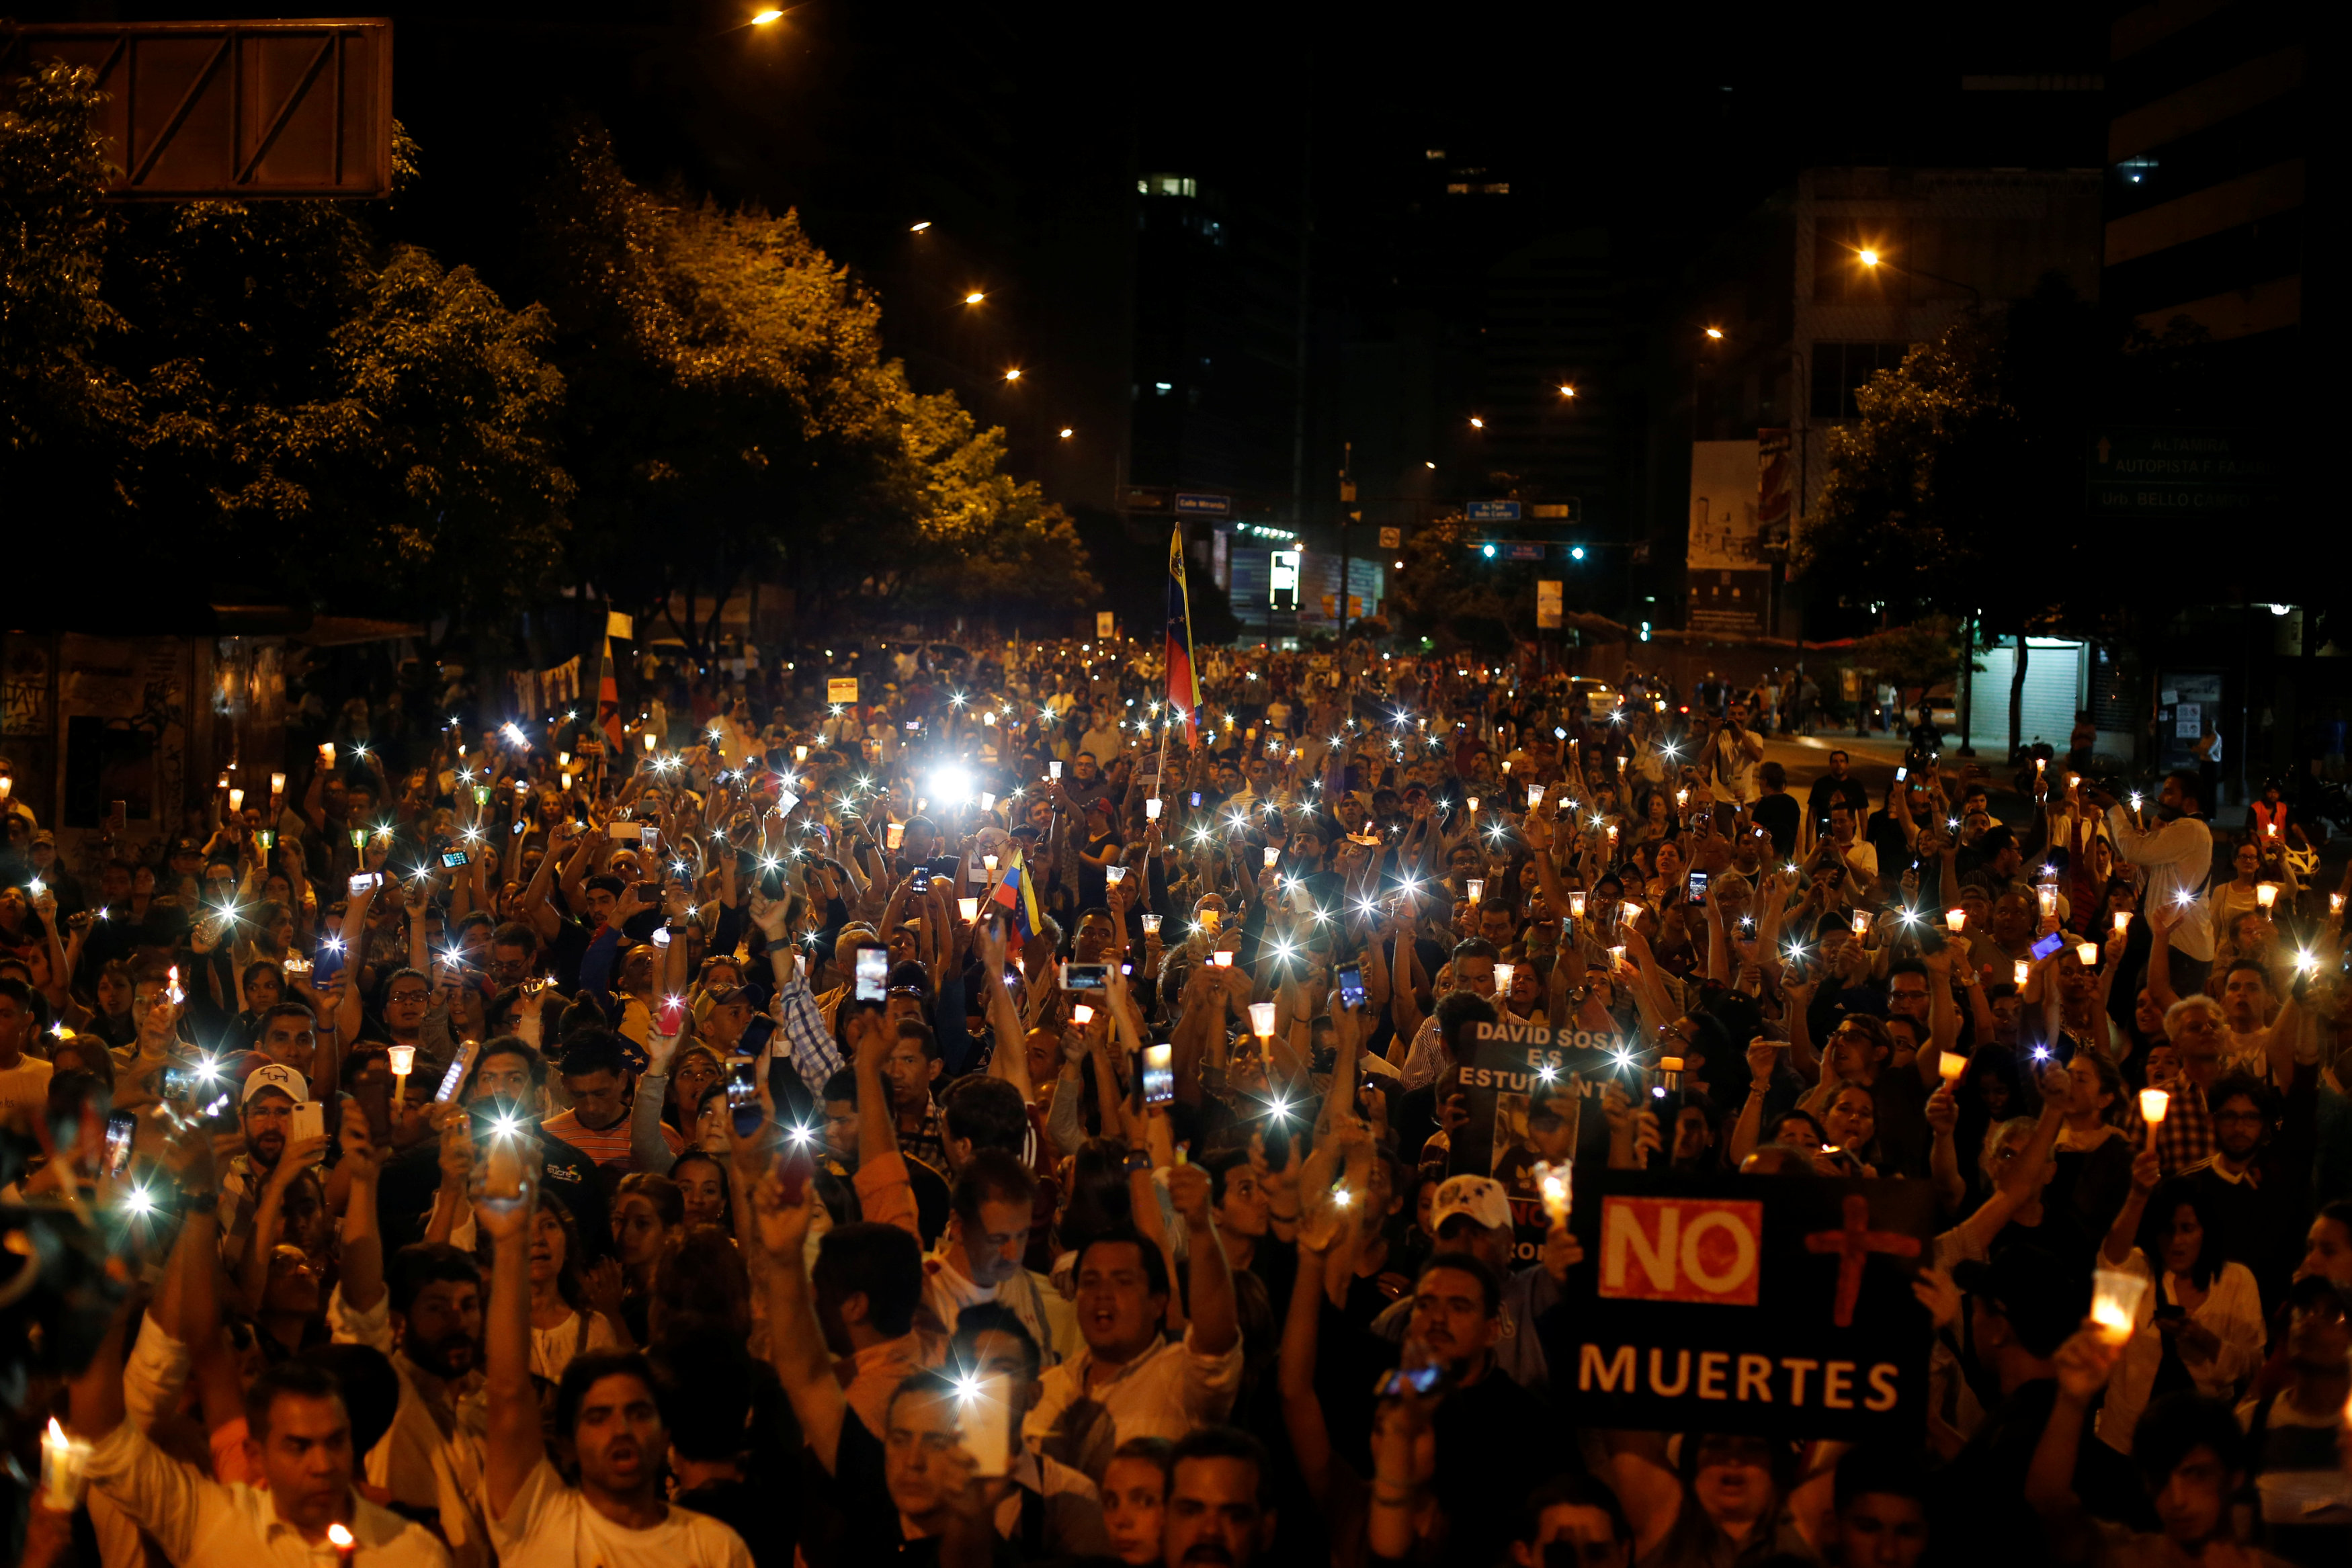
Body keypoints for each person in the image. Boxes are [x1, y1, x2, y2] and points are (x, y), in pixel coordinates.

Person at [478, 1149, 755, 1567]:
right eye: (598, 1416)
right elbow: (507, 1395)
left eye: (640, 1412)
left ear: (666, 1437)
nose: (621, 1429)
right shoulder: (537, 1519)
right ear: (569, 1441)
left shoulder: (715, 1547)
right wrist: (508, 1243)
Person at [69, 1330, 450, 1566]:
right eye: (298, 1447)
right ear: (255, 1456)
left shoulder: (413, 1554)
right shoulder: (212, 1523)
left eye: (335, 1442)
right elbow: (104, 1442)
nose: (322, 1465)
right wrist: (104, 1304)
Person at [2028, 1327, 2293, 1568]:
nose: (2176, 1500)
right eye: (2160, 1479)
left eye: (2196, 1474)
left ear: (2235, 1476)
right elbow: (2050, 1504)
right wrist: (2070, 1401)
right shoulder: (2127, 1557)